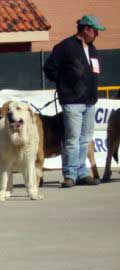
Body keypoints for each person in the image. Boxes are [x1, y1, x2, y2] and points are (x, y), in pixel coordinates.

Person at [43, 15, 105, 188]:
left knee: (85, 139)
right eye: (95, 31)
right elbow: (49, 68)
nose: (97, 35)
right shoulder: (65, 47)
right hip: (72, 102)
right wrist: (64, 84)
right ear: (85, 29)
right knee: (72, 138)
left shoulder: (92, 49)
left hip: (89, 101)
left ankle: (82, 173)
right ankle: (70, 175)